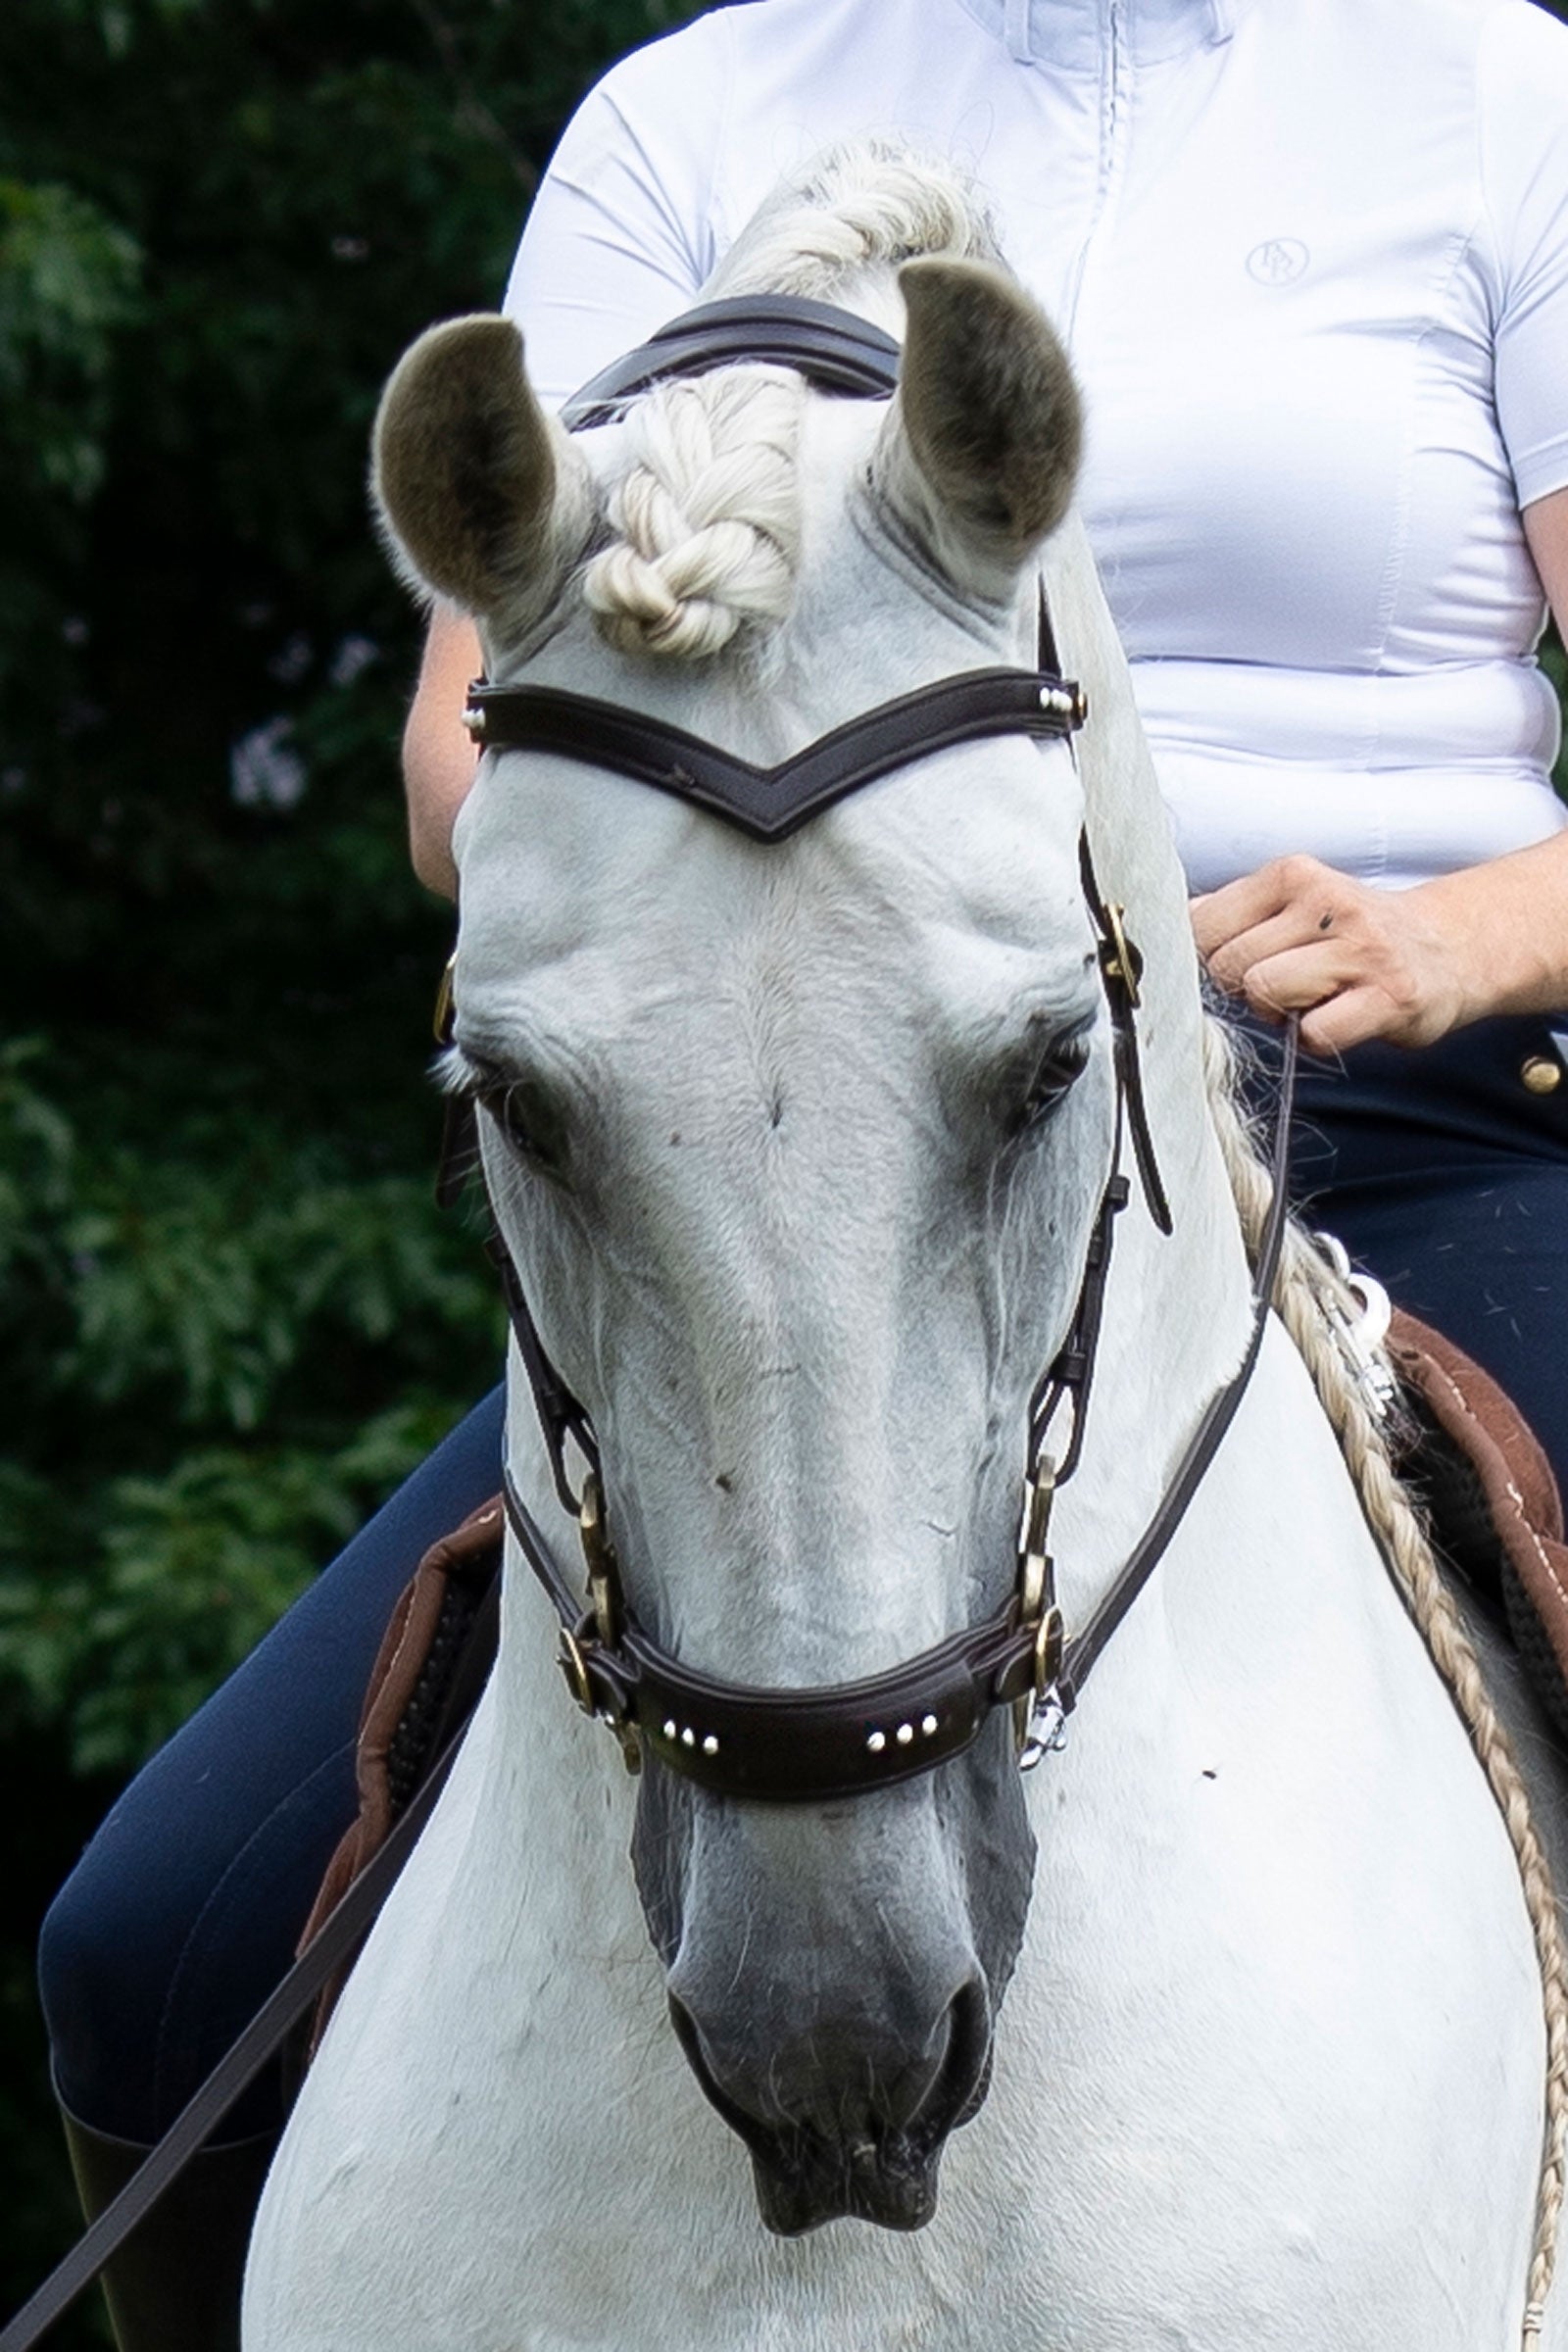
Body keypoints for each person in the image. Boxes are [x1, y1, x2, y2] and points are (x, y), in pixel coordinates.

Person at [35, 0, 1568, 2343]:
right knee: (150, 1953)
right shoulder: (692, 115)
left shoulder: (1490, 96)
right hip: (817, 1149)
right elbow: (467, 760)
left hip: (1408, 1099)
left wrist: (1467, 928)